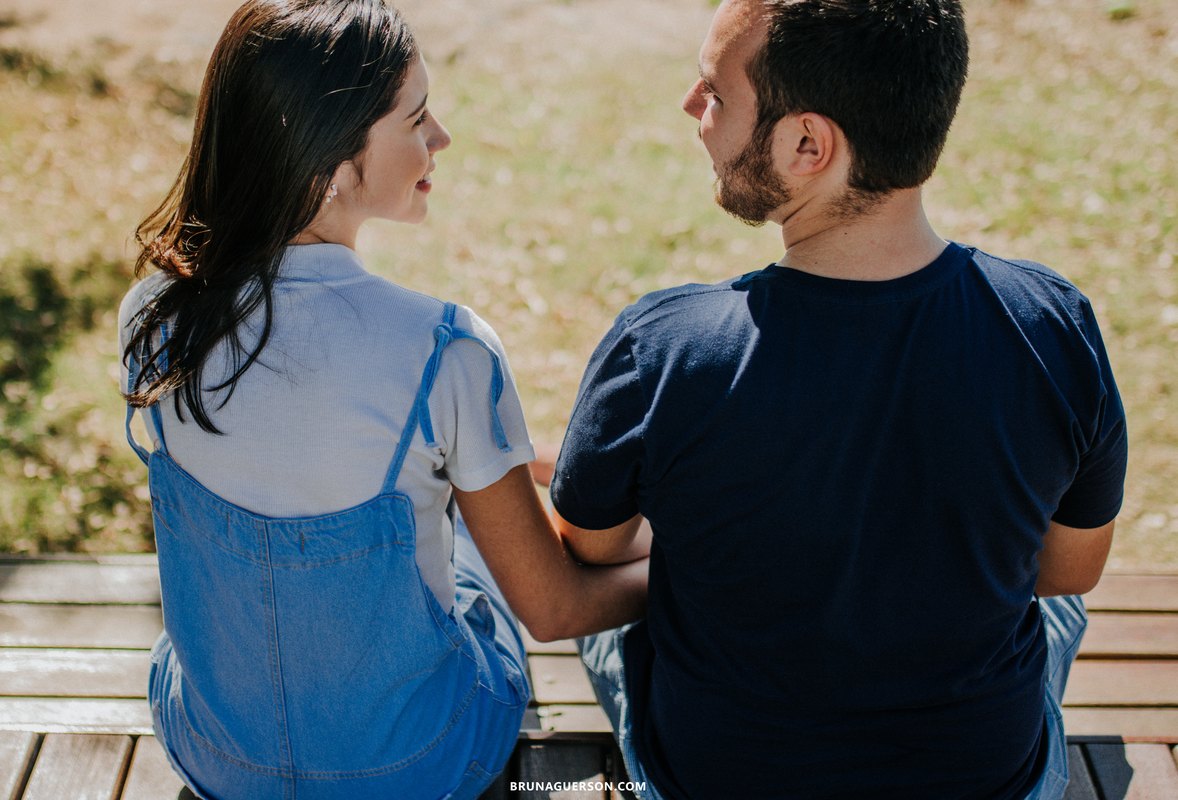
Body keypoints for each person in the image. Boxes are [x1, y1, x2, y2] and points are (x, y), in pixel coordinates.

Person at [542, 1, 1128, 798]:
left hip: (723, 778)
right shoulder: (1053, 326)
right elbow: (1066, 573)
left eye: (714, 91)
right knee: (1055, 616)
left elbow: (591, 551)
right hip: (984, 779)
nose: (691, 105)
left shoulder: (662, 349)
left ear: (808, 144)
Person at [119, 2, 647, 798]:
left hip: (220, 759)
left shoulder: (152, 319)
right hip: (420, 768)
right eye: (417, 118)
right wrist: (679, 567)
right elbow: (554, 608)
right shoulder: (446, 348)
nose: (441, 139)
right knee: (476, 550)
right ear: (328, 161)